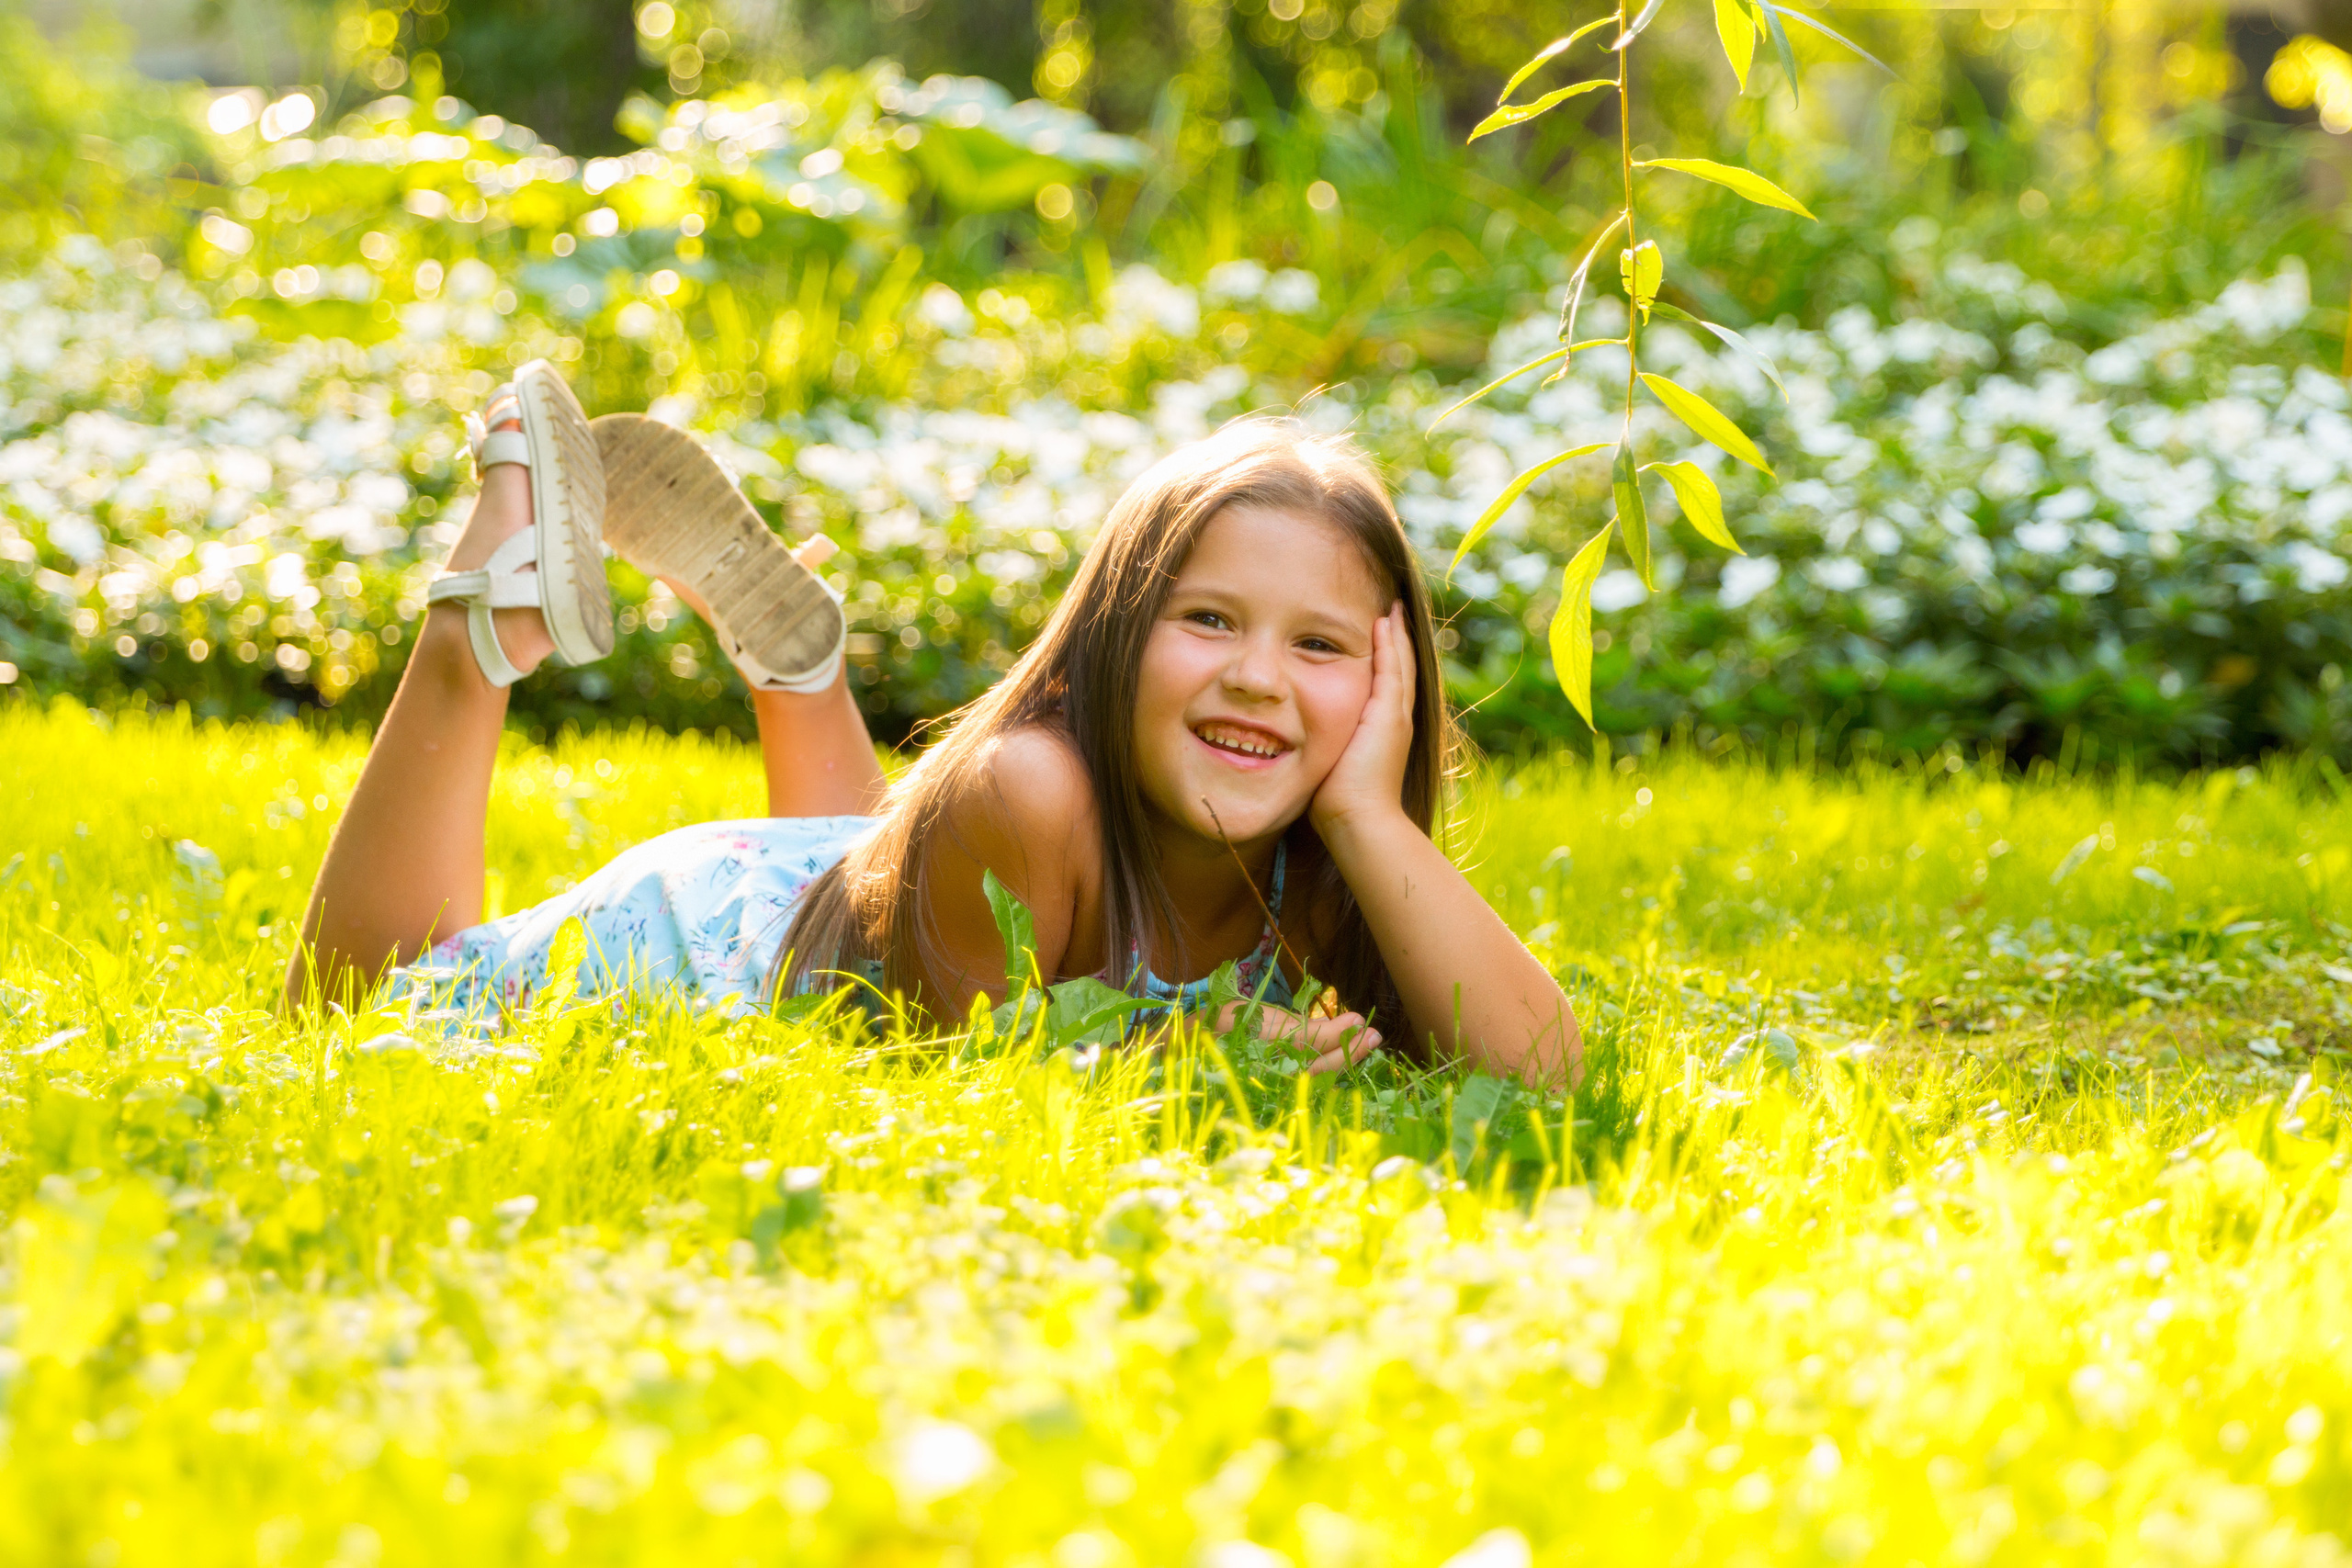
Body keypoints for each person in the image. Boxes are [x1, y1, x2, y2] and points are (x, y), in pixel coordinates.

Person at [288, 362, 1579, 1087]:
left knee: (868, 889)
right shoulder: (1032, 794)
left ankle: (802, 678)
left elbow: (1556, 1079)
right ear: (1114, 636)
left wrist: (1367, 814)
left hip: (854, 898)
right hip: (704, 943)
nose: (1259, 678)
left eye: (1319, 648)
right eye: (1209, 623)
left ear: (1388, 683)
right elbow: (933, 1085)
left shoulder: (1327, 863)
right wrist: (1194, 1057)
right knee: (349, 1016)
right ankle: (475, 632)